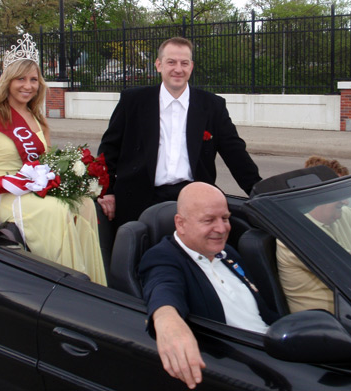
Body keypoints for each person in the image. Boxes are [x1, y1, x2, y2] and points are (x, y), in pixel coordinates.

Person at [0, 33, 106, 286]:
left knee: (84, 203)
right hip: (4, 194)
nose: (28, 85)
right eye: (20, 79)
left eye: (33, 79)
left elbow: (44, 166)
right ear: (8, 81)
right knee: (56, 211)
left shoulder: (38, 120)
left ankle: (89, 281)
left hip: (31, 190)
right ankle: (62, 283)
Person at [97, 37, 261, 227]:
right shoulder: (132, 101)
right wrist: (107, 191)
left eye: (184, 63)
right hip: (138, 199)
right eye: (171, 62)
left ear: (191, 67)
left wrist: (259, 194)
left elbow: (236, 154)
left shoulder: (212, 106)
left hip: (194, 200)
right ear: (158, 65)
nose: (178, 69)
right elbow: (108, 150)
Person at [138, 182, 278, 389]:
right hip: (242, 369)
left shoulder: (228, 253)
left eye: (225, 218)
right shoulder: (164, 257)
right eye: (208, 220)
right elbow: (162, 287)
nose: (221, 228)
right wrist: (167, 320)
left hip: (274, 347)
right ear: (181, 223)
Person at [277, 156, 350, 313]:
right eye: (337, 193)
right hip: (328, 327)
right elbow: (345, 267)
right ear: (315, 196)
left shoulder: (341, 214)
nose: (345, 201)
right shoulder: (294, 235)